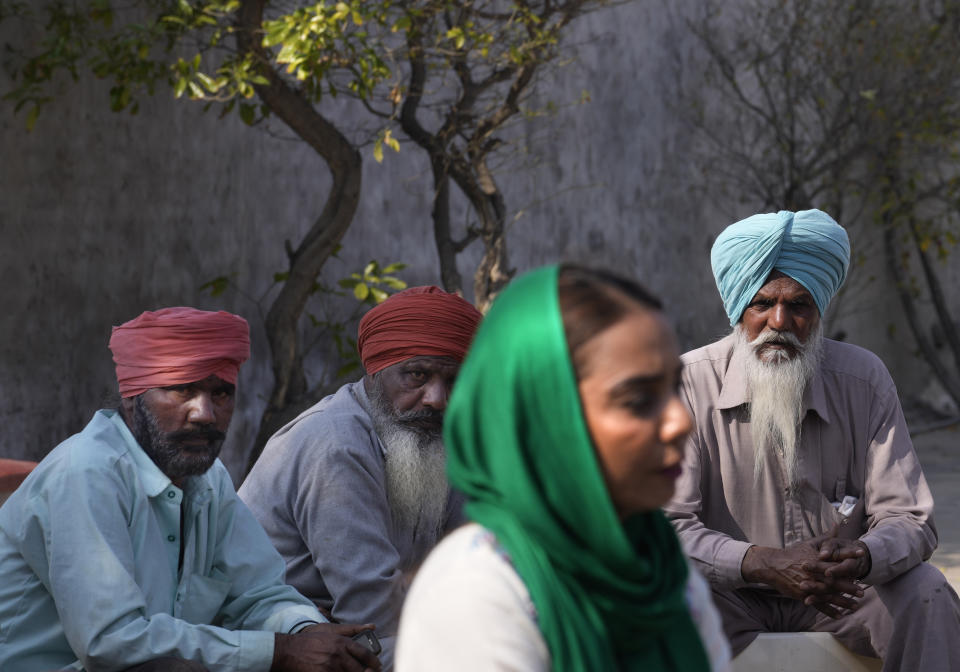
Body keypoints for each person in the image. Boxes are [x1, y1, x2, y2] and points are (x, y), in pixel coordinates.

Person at [0, 307, 382, 672]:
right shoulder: (86, 473)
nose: (205, 414)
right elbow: (111, 641)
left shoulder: (208, 479)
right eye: (182, 391)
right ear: (133, 400)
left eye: (221, 394)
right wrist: (280, 651)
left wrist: (307, 632)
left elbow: (260, 594)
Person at [395, 265, 731, 671]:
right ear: (545, 419)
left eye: (674, 389)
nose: (681, 421)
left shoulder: (662, 573)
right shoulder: (479, 591)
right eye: (639, 400)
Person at [665, 209, 960, 670]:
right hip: (726, 597)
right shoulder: (687, 384)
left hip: (839, 595)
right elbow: (664, 528)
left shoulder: (863, 379)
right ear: (738, 308)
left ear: (818, 312)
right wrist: (760, 563)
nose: (779, 321)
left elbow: (909, 517)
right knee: (647, 599)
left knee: (928, 593)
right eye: (762, 304)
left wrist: (862, 555)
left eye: (798, 305)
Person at [239, 286, 483, 670]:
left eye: (454, 381)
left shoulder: (437, 438)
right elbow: (376, 614)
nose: (437, 398)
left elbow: (469, 566)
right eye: (417, 374)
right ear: (375, 370)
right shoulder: (337, 444)